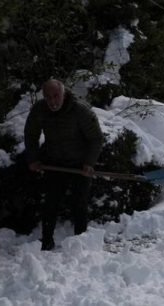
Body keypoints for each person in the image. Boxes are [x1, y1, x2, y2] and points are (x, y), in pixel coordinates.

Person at [25, 79, 104, 251]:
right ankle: (47, 241)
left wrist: (89, 163)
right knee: (50, 203)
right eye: (48, 97)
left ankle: (80, 243)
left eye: (56, 96)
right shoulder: (40, 110)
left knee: (79, 204)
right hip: (54, 162)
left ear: (64, 93)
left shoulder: (80, 110)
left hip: (79, 164)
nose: (53, 101)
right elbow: (31, 135)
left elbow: (96, 138)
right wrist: (33, 158)